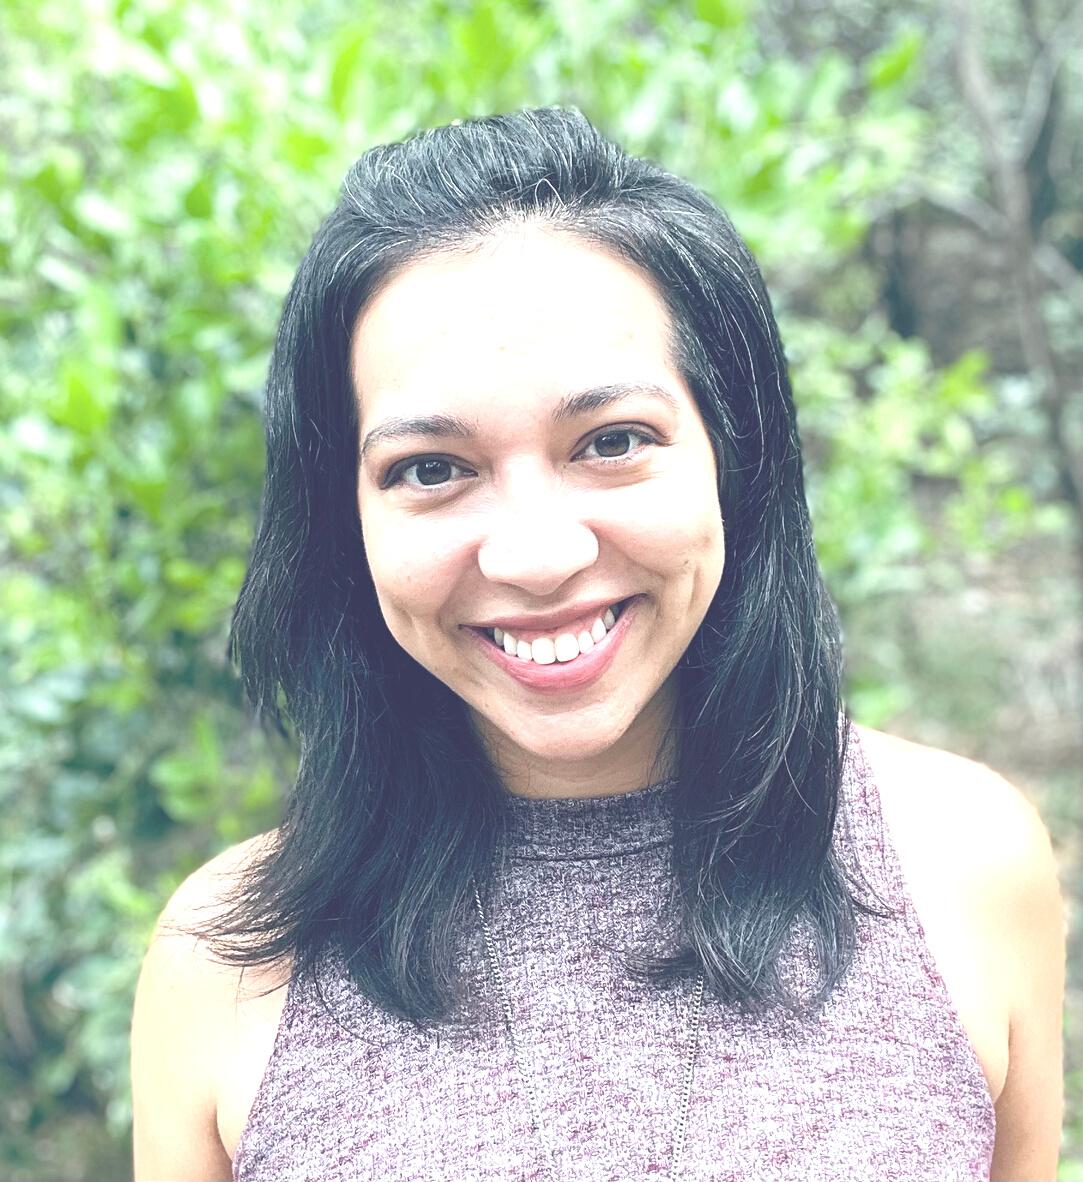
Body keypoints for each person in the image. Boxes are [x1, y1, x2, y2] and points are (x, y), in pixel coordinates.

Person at [129, 107, 1065, 1181]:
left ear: (736, 458)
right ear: (345, 521)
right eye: (431, 468)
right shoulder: (228, 962)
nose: (535, 555)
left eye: (612, 442)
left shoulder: (963, 861)